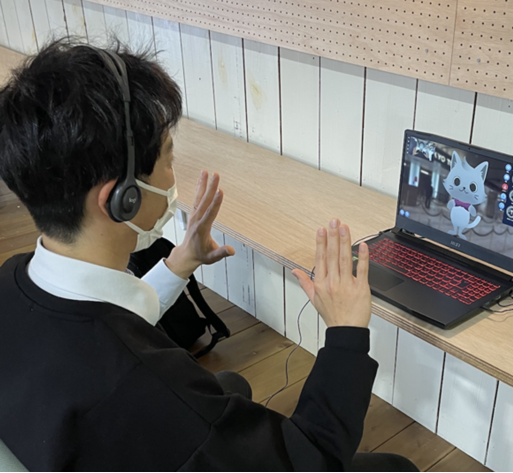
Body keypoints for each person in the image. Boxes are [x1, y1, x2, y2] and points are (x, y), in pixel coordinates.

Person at [0, 40, 417, 471]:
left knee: (228, 385)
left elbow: (105, 324)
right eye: (168, 160)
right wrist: (347, 333)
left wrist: (180, 262)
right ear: (122, 199)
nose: (172, 176)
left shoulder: (12, 281)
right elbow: (311, 458)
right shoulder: (150, 389)